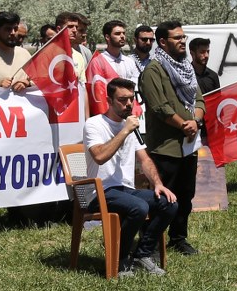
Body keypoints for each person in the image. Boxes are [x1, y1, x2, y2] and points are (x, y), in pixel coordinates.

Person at [84, 77, 177, 276]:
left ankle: (143, 254)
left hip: (126, 190)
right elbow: (100, 156)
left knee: (169, 203)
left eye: (131, 99)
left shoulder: (131, 127)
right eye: (122, 100)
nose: (128, 104)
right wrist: (125, 130)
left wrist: (158, 184)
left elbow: (144, 160)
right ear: (109, 101)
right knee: (139, 207)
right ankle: (120, 260)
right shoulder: (94, 125)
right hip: (99, 192)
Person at [139, 21, 202, 255]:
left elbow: (200, 99)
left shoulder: (186, 68)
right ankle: (152, 241)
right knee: (162, 198)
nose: (183, 41)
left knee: (186, 196)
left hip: (188, 144)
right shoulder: (153, 71)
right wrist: (184, 125)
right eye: (177, 38)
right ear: (163, 42)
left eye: (183, 37)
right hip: (166, 146)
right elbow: (160, 107)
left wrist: (196, 121)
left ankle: (178, 238)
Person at [87, 19, 139, 115]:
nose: (122, 36)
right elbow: (97, 90)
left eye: (123, 33)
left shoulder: (129, 61)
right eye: (118, 34)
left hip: (129, 110)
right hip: (108, 112)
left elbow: (135, 85)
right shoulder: (97, 62)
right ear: (107, 37)